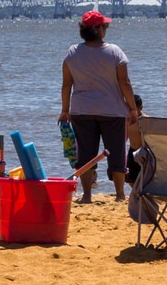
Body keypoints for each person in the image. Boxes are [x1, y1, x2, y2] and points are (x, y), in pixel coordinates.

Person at [59, 10, 137, 204]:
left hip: (81, 110)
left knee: (85, 154)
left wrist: (65, 110)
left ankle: (87, 195)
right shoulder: (114, 52)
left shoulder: (72, 53)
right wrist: (133, 108)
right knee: (116, 152)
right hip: (112, 110)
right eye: (105, 26)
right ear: (99, 30)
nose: (106, 29)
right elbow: (124, 82)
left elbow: (67, 84)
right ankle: (120, 195)